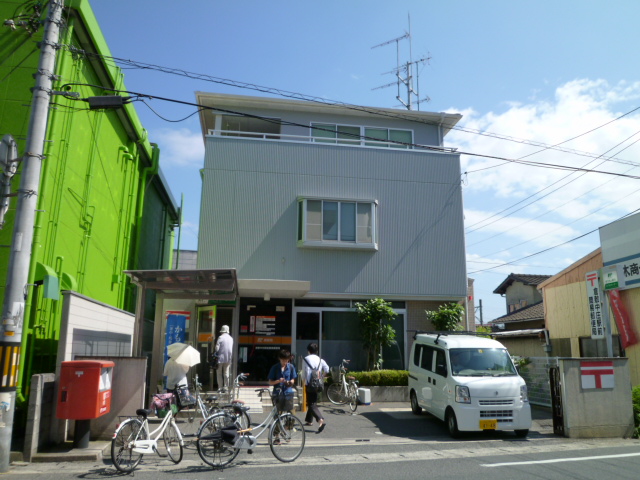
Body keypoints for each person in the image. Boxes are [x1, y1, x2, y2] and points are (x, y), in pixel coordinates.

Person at [302, 343, 329, 433]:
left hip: (310, 384)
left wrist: (303, 381)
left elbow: (303, 374)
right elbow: (327, 369)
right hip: (318, 384)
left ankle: (320, 420)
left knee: (312, 404)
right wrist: (321, 376)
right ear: (316, 351)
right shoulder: (320, 359)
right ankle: (309, 420)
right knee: (313, 401)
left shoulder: (306, 359)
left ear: (308, 350)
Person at [215, 324, 234, 392]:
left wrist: (215, 352)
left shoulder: (220, 337)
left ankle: (220, 387)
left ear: (222, 331)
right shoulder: (231, 338)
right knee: (226, 373)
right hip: (228, 359)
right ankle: (226, 388)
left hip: (220, 358)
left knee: (219, 373)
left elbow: (217, 348)